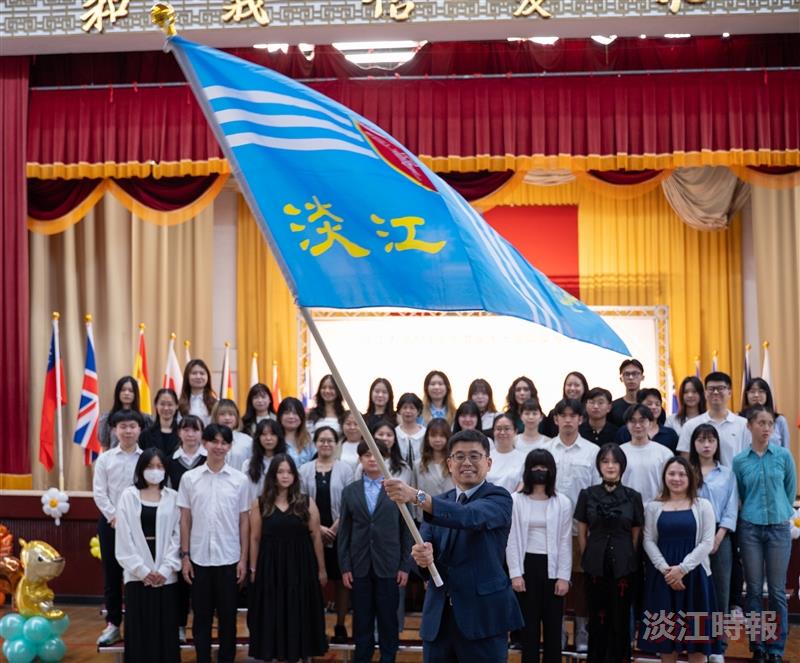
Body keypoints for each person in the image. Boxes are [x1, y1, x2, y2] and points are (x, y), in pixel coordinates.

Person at [384, 429, 524, 662]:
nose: (466, 462)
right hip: (438, 621)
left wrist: (417, 496)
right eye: (459, 456)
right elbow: (425, 552)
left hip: (483, 621)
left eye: (474, 456)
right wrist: (422, 558)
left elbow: (468, 516)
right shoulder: (441, 501)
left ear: (488, 463)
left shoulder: (499, 498)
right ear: (449, 464)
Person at [178, 424, 249, 663]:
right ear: (204, 443)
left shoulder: (240, 480)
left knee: (228, 618)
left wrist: (243, 559)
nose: (219, 447)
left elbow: (244, 522)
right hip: (198, 559)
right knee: (201, 618)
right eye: (214, 441)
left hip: (229, 558)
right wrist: (185, 556)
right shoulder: (189, 479)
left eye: (224, 442)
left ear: (229, 447)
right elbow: (185, 520)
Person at [248, 454, 328, 662]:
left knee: (298, 610)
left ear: (295, 475)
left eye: (289, 472)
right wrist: (254, 569)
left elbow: (316, 537)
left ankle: (300, 654)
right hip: (270, 566)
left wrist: (321, 569)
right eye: (280, 472)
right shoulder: (260, 503)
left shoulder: (306, 502)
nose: (285, 476)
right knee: (272, 611)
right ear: (273, 476)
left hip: (301, 566)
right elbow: (255, 538)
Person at [339, 440, 413, 663]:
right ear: (360, 459)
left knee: (388, 619)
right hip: (359, 564)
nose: (372, 459)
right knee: (362, 619)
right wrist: (345, 567)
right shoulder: (350, 491)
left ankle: (388, 658)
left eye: (377, 454)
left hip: (389, 565)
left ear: (386, 459)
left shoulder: (398, 489)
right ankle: (362, 657)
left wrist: (404, 565)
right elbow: (344, 532)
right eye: (366, 454)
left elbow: (406, 530)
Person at [733, 406, 796, 663]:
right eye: (761, 422)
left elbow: (789, 490)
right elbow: (739, 494)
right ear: (750, 426)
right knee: (756, 590)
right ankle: (758, 645)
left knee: (778, 591)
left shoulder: (783, 456)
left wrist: (781, 511)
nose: (767, 427)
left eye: (770, 423)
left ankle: (776, 648)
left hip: (779, 528)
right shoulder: (740, 461)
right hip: (750, 528)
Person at [639, 456, 718, 662]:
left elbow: (707, 543)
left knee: (697, 643)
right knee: (666, 642)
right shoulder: (653, 507)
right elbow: (648, 540)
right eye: (671, 473)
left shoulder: (703, 505)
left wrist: (682, 569)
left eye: (682, 474)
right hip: (663, 579)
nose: (676, 478)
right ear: (664, 476)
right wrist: (666, 570)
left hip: (695, 578)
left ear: (690, 478)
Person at [575, 444, 644, 663]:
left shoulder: (633, 496)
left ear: (622, 466)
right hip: (595, 564)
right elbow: (582, 532)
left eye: (615, 462)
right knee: (597, 618)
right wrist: (589, 557)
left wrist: (628, 557)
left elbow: (636, 534)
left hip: (624, 565)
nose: (610, 466)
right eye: (605, 461)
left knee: (620, 619)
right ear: (599, 466)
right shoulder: (587, 494)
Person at [115, 448, 182, 663]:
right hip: (137, 577)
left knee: (165, 629)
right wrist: (142, 570)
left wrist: (165, 568)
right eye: (150, 467)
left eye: (160, 467)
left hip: (166, 576)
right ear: (141, 469)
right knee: (139, 629)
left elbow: (177, 535)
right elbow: (124, 538)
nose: (155, 471)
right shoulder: (128, 496)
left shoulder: (173, 497)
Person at [507, 449, 572, 663]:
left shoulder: (562, 501)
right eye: (535, 467)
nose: (539, 471)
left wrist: (564, 576)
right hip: (527, 566)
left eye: (544, 467)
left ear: (551, 471)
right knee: (529, 628)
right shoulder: (516, 500)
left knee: (553, 628)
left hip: (552, 567)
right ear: (527, 471)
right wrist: (515, 574)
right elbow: (512, 540)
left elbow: (565, 541)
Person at [545, 398, 598, 652]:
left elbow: (597, 493)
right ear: (555, 419)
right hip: (549, 530)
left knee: (580, 583)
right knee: (553, 582)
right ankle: (558, 632)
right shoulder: (546, 451)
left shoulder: (591, 452)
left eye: (572, 415)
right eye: (562, 415)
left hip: (580, 530)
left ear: (580, 419)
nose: (567, 420)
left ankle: (582, 632)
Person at [298, 426, 355, 643]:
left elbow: (349, 502)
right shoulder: (304, 469)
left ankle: (340, 625)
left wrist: (336, 527)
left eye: (330, 440)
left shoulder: (346, 469)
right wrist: (318, 527)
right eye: (322, 440)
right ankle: (316, 625)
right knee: (316, 581)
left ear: (336, 443)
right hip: (312, 533)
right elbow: (301, 503)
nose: (326, 444)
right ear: (315, 443)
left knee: (341, 580)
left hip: (340, 532)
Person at [93, 410, 145, 646]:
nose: (127, 431)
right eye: (122, 426)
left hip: (140, 526)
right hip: (110, 524)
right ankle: (113, 624)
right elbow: (99, 492)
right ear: (114, 430)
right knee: (112, 575)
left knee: (137, 573)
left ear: (139, 430)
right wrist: (113, 516)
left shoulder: (145, 459)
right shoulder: (105, 459)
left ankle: (138, 623)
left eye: (132, 426)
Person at [688, 423, 738, 663]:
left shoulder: (727, 473)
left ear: (717, 444)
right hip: (691, 537)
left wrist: (718, 537)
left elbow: (731, 509)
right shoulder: (686, 471)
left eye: (711, 440)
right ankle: (695, 642)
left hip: (721, 538)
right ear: (694, 443)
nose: (706, 445)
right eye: (701, 440)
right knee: (694, 591)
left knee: (720, 592)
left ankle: (718, 645)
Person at [164, 414, 206, 643]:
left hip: (205, 529)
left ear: (202, 433)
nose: (190, 434)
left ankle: (203, 627)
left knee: (202, 583)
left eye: (195, 429)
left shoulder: (209, 459)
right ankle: (180, 625)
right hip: (179, 526)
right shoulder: (170, 461)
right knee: (181, 579)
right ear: (179, 433)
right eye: (186, 429)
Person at [676, 372, 751, 466]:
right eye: (711, 389)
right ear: (705, 393)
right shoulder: (691, 425)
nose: (715, 392)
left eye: (720, 388)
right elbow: (686, 461)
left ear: (729, 392)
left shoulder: (744, 424)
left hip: (734, 480)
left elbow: (749, 459)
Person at [620, 404, 674, 505]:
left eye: (642, 421)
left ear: (650, 423)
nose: (637, 425)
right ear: (627, 424)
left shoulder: (664, 453)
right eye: (632, 421)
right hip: (625, 510)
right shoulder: (619, 452)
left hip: (657, 508)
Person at [413, 418, 455, 517]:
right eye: (433, 435)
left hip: (451, 517)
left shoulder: (455, 463)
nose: (437, 440)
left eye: (442, 436)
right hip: (426, 517)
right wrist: (423, 506)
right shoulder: (418, 465)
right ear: (427, 438)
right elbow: (416, 492)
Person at [242, 418, 287, 506]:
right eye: (264, 434)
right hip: (254, 510)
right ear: (258, 438)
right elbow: (244, 493)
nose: (268, 438)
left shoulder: (286, 462)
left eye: (273, 434)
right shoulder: (248, 464)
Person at [98, 376, 151, 450]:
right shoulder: (107, 418)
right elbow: (105, 447)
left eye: (130, 390)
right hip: (114, 460)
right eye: (123, 390)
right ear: (118, 393)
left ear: (135, 394)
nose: (126, 393)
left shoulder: (145, 419)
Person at [739, 377, 791, 448]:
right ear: (746, 395)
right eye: (752, 391)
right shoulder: (739, 419)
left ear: (767, 395)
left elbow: (786, 448)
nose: (756, 395)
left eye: (761, 391)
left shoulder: (779, 420)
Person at [539, 371, 589, 438]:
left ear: (584, 387)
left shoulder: (590, 413)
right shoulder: (554, 413)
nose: (572, 388)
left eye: (577, 385)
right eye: (569, 385)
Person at [487, 413, 526, 493]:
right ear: (493, 431)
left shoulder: (524, 458)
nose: (502, 432)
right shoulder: (486, 457)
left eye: (507, 429)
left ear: (515, 431)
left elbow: (522, 485)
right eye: (498, 429)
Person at [211, 399, 252, 473]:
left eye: (231, 414)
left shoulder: (247, 441)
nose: (227, 418)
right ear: (215, 416)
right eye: (222, 414)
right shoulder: (209, 439)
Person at [138, 388, 180, 456]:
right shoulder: (145, 435)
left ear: (177, 406)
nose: (166, 408)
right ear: (156, 405)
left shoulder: (183, 433)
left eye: (170, 404)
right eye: (162, 404)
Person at [277, 396, 314, 467]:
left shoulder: (310, 440)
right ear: (280, 416)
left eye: (295, 413)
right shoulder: (274, 439)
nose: (291, 416)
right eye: (287, 413)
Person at [178, 359, 217, 425]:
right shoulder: (179, 403)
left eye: (202, 373)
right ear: (187, 377)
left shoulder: (216, 403)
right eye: (194, 373)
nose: (198, 377)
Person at [609, 359, 645, 427]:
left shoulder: (649, 406)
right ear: (621, 378)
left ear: (642, 377)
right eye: (627, 374)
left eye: (635, 374)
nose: (631, 377)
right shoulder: (613, 407)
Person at [395, 392, 426, 464]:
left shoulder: (425, 433)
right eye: (404, 407)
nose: (408, 411)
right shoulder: (394, 433)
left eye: (412, 408)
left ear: (418, 411)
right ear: (399, 410)